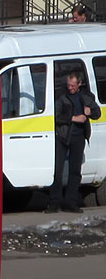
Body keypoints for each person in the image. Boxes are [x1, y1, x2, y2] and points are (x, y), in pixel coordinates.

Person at [48, 72, 101, 212]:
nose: (70, 88)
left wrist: (90, 112)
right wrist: (73, 118)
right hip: (63, 136)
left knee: (75, 171)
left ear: (79, 84)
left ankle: (70, 202)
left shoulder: (86, 97)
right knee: (57, 171)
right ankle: (54, 202)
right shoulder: (61, 97)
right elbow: (55, 116)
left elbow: (97, 113)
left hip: (78, 138)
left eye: (72, 85)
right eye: (68, 85)